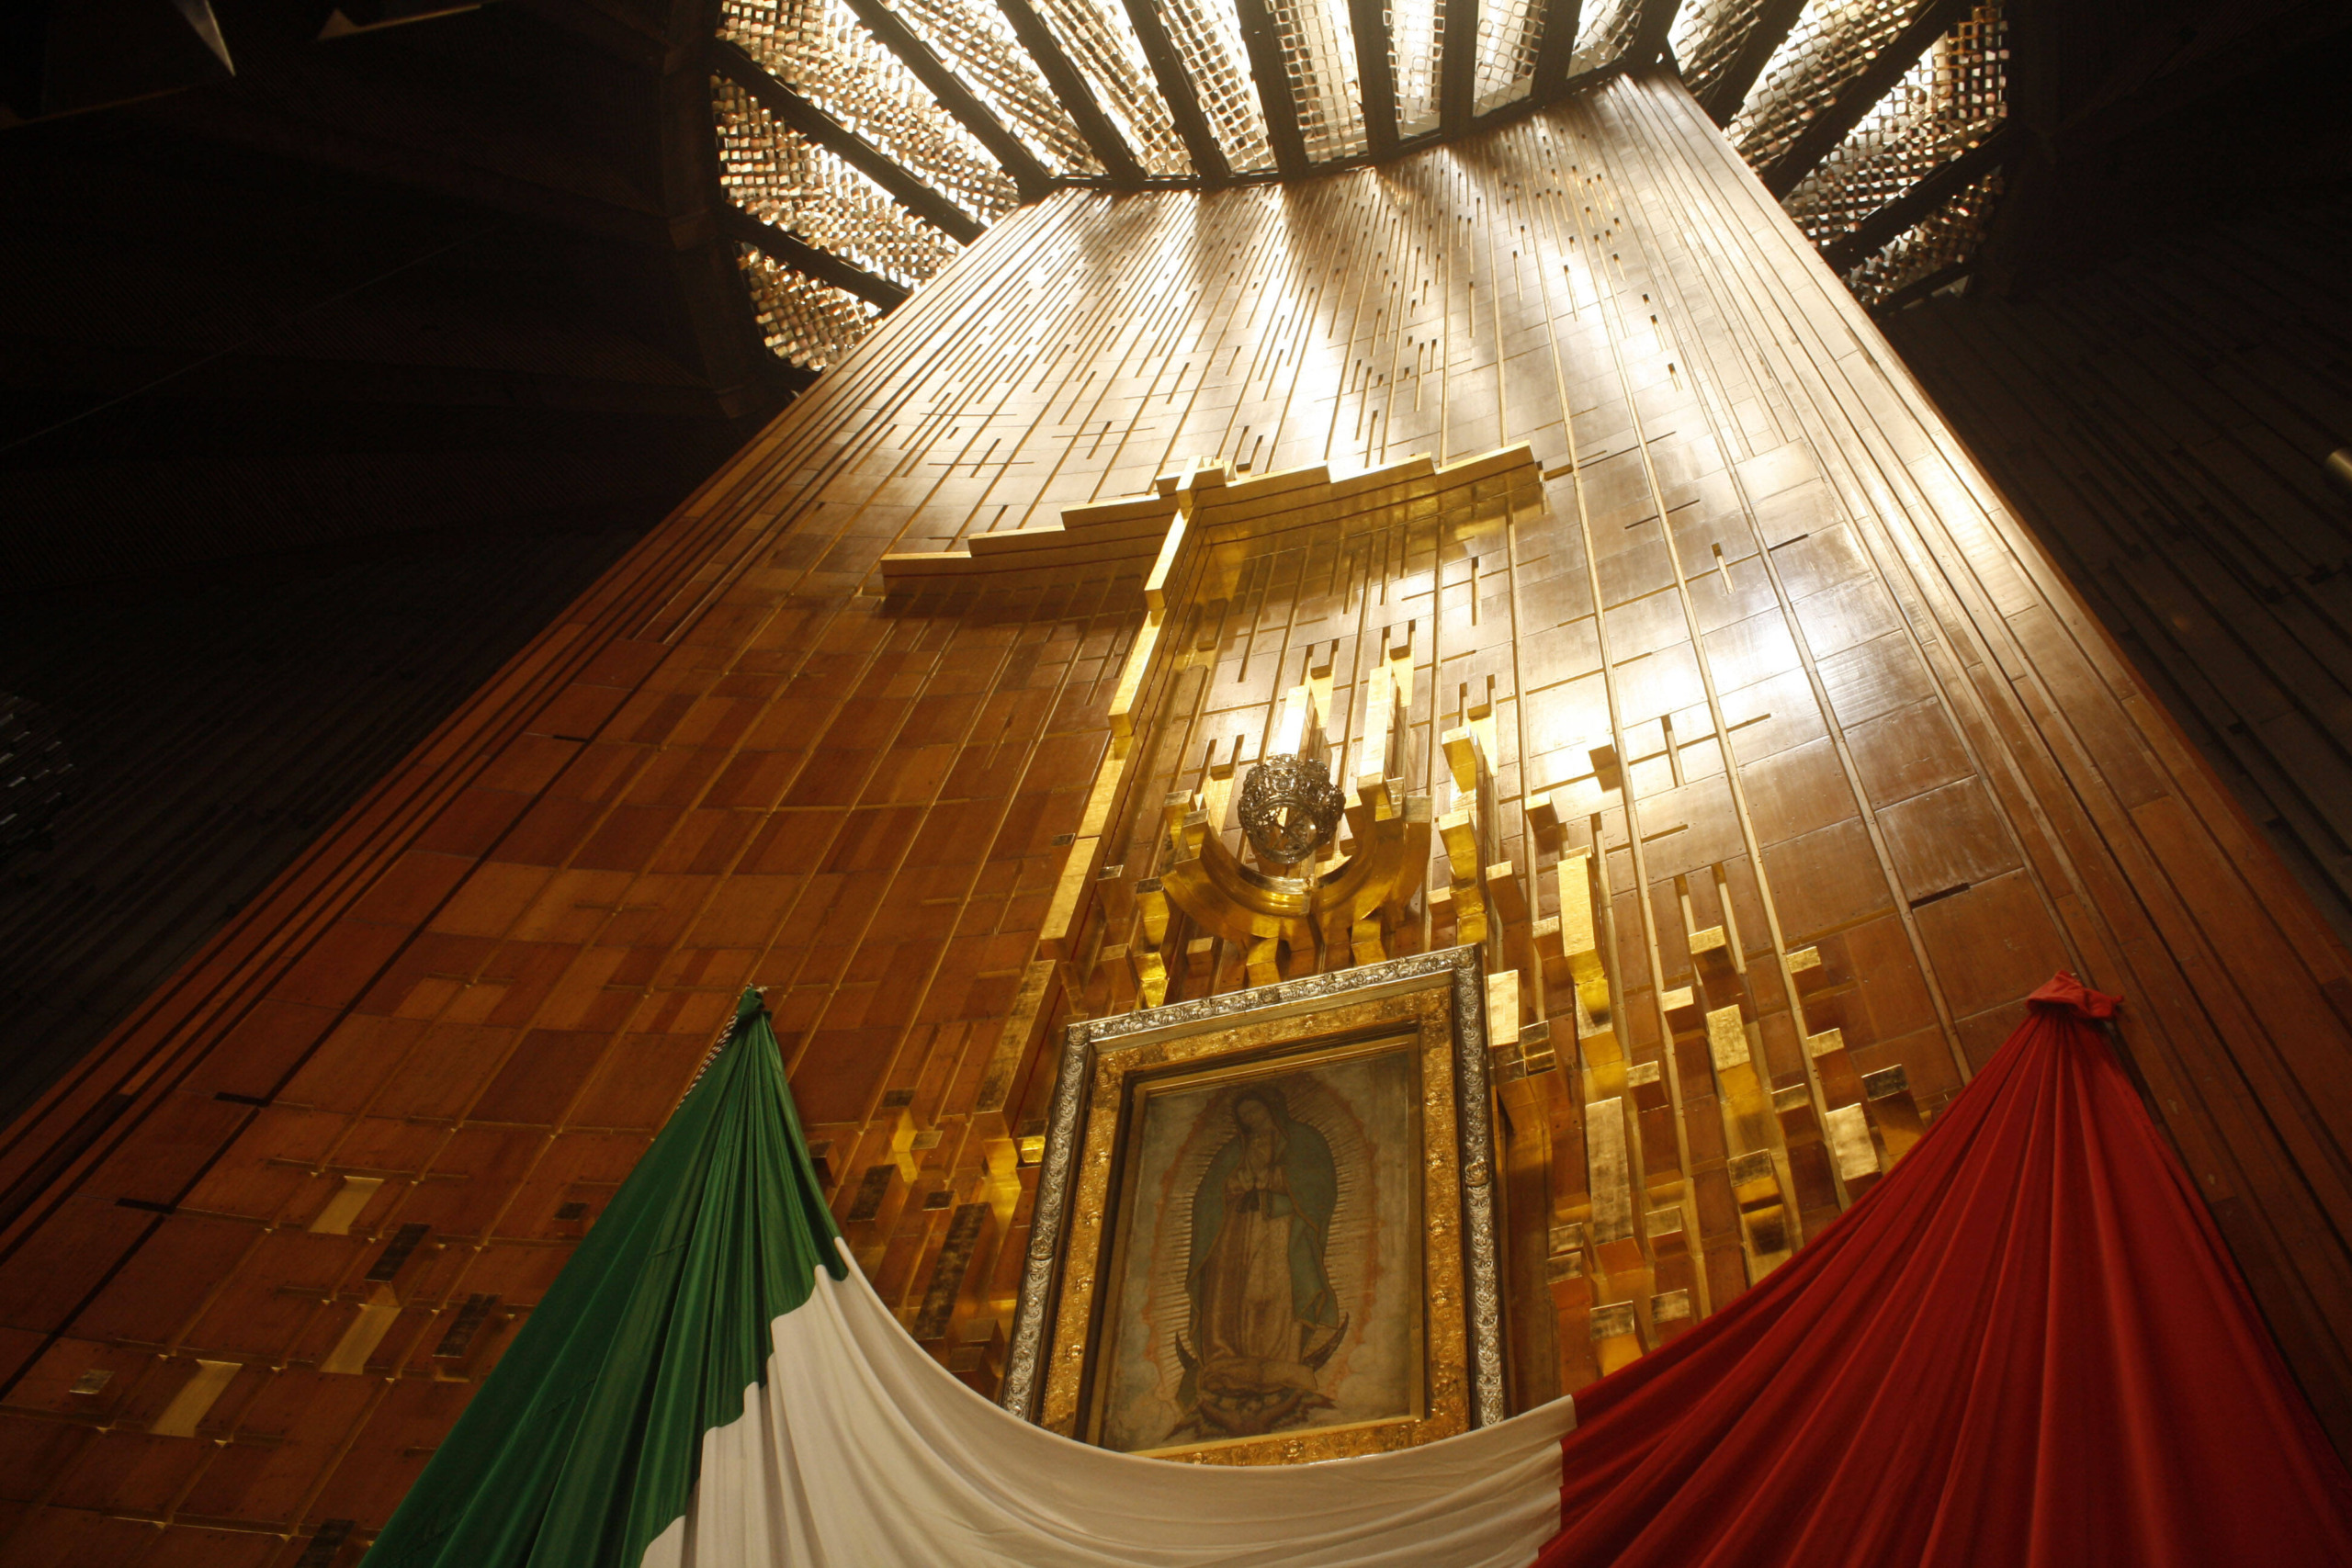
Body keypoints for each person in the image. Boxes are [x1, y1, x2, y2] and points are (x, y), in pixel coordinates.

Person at [1177, 1082, 1346, 1438]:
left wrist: (1277, 1179)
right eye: (1244, 1117)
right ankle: (1226, 1360)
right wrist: (1231, 1186)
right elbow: (1208, 1196)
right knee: (1230, 1293)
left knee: (1274, 1290)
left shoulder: (1303, 1141)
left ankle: (1280, 1360)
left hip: (1280, 1227)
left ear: (1272, 1108)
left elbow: (1318, 1184)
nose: (1250, 1120)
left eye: (1255, 1111)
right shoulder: (1233, 1151)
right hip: (1234, 1232)